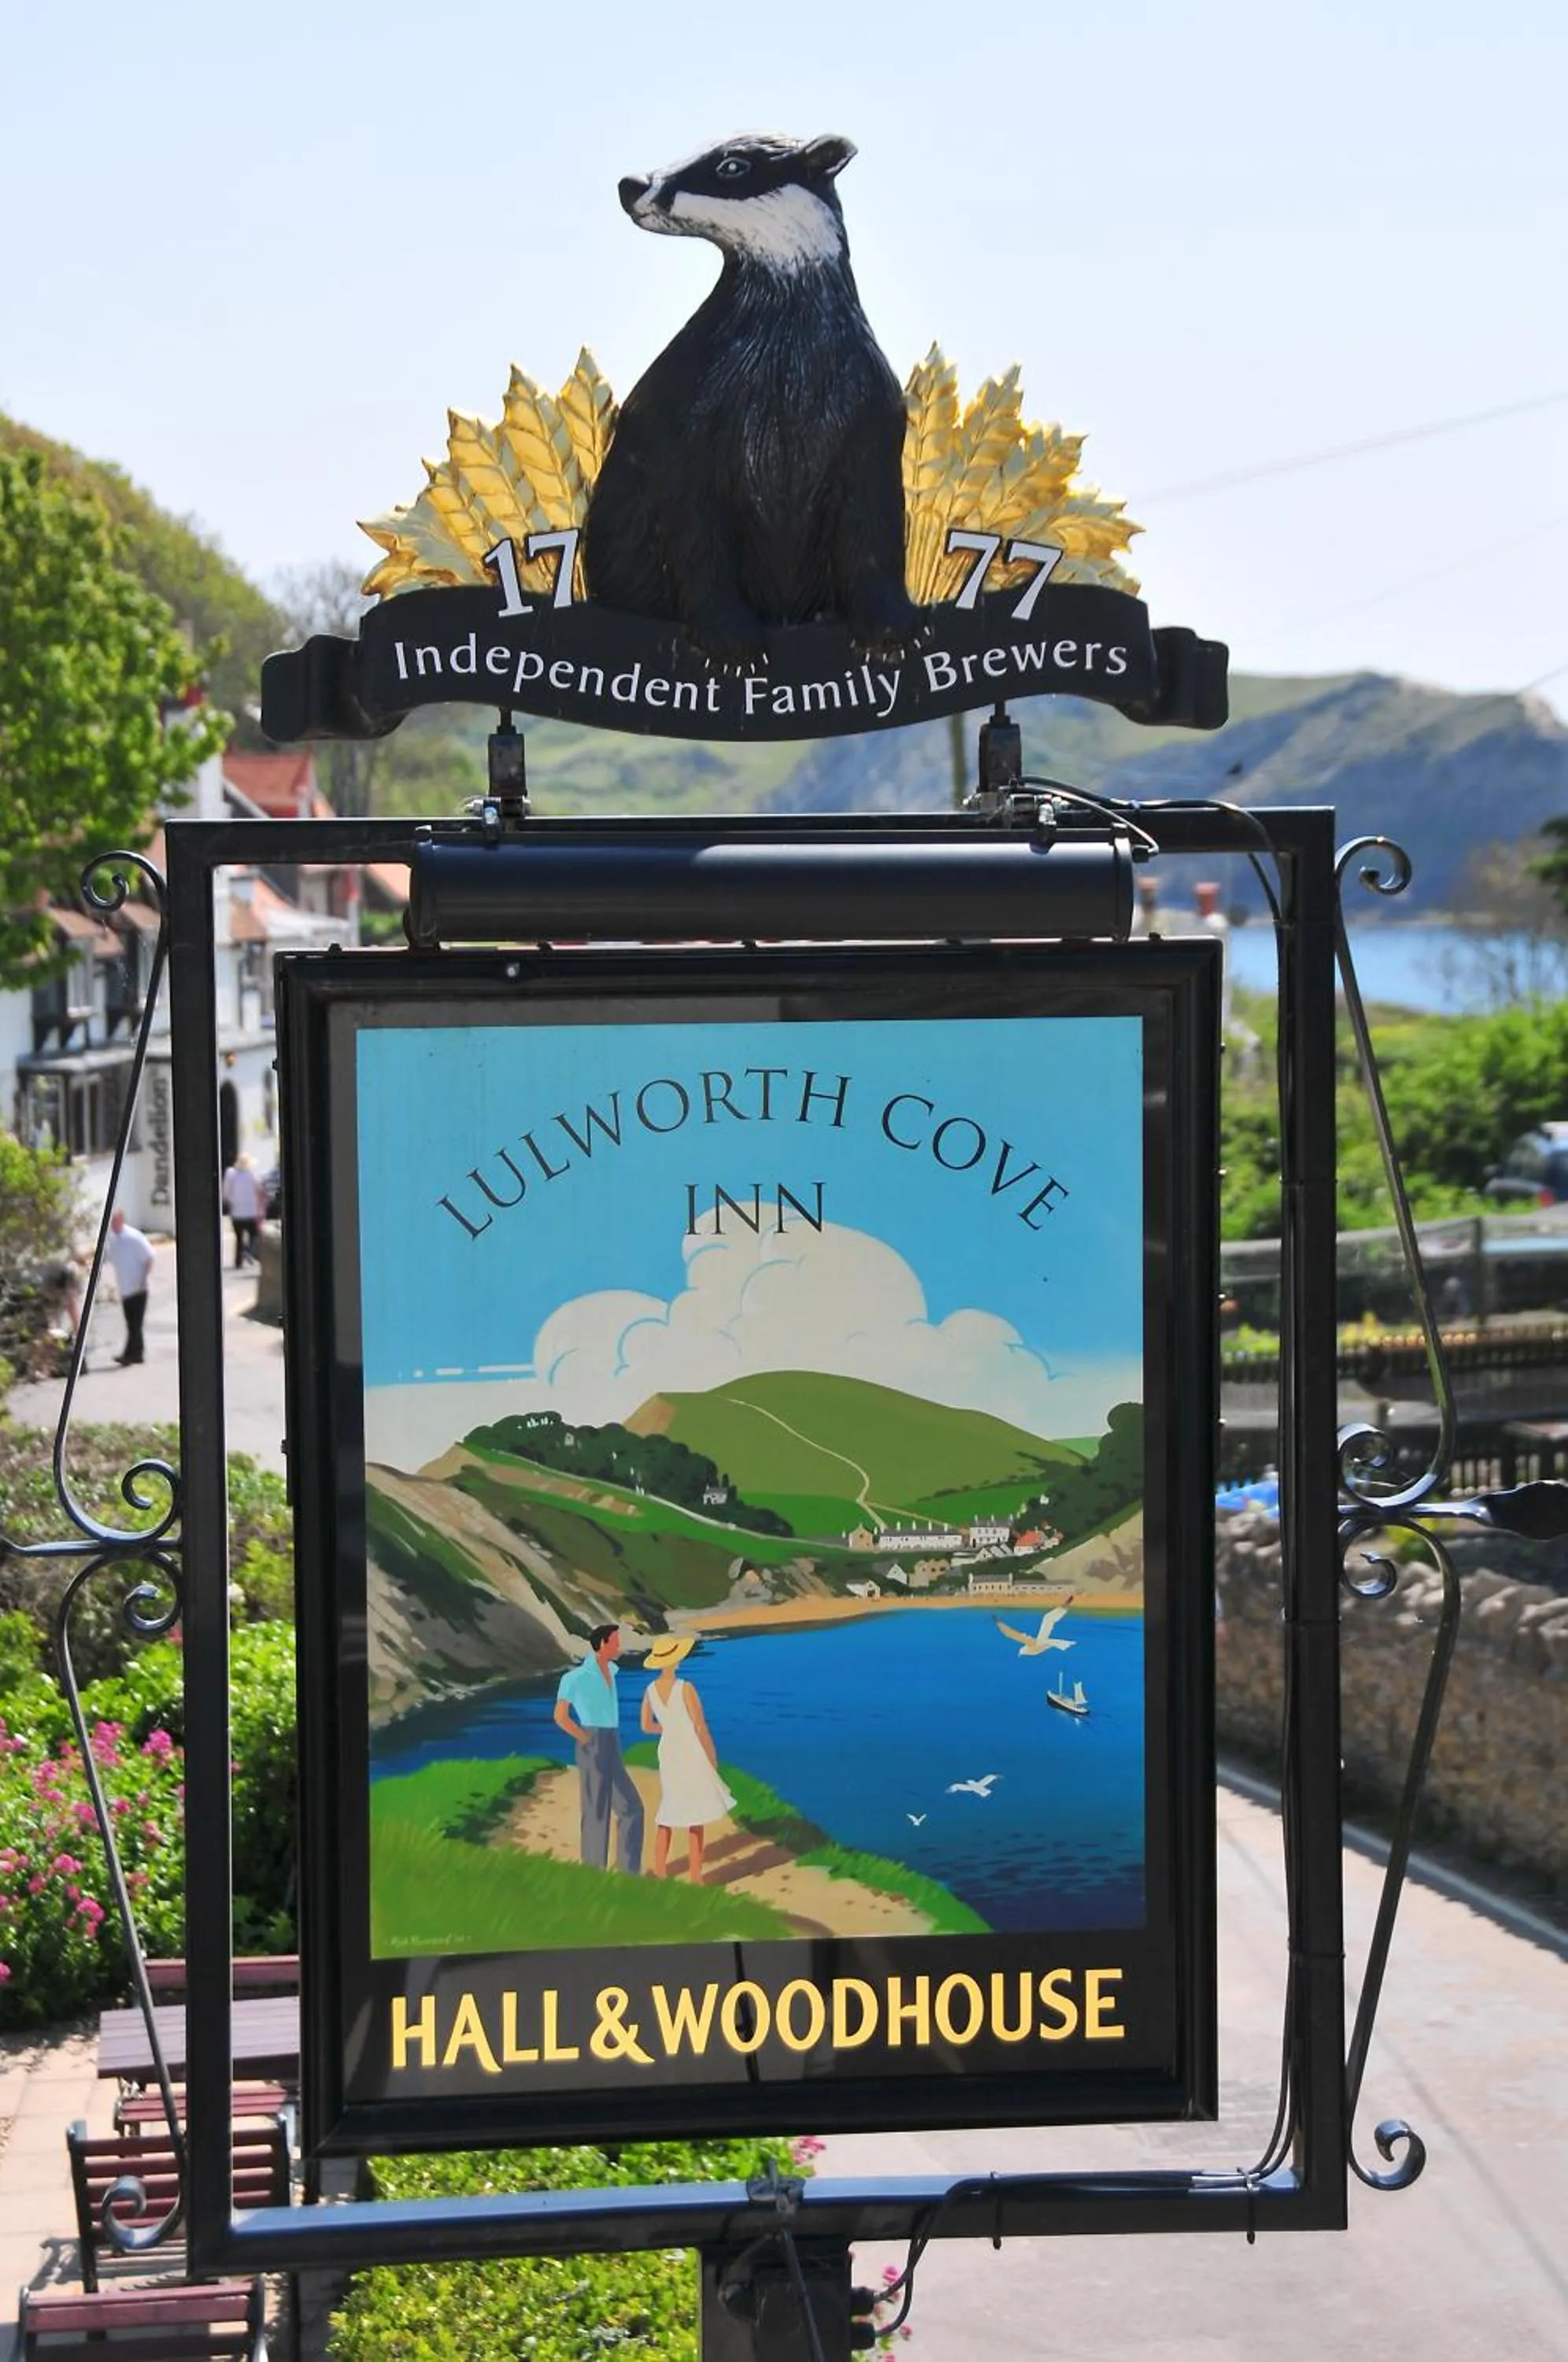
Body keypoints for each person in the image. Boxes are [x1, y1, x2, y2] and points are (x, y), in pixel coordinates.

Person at [639, 1635, 734, 1883]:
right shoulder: (685, 1687)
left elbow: (647, 1726)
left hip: (668, 1750)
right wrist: (711, 1754)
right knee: (696, 1813)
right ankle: (695, 1875)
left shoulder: (650, 1690)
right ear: (675, 1660)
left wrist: (669, 1729)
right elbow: (700, 1725)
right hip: (688, 1750)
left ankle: (660, 1869)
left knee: (670, 1807)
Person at [553, 1623, 644, 1874]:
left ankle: (629, 1873)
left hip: (612, 1741)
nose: (619, 1646)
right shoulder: (574, 1678)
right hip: (592, 1739)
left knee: (631, 1807)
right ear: (602, 1644)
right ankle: (594, 1874)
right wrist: (584, 1738)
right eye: (615, 1642)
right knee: (596, 1811)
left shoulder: (612, 1672)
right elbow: (560, 1716)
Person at [105, 1209, 154, 1366]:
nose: (112, 1225)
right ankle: (137, 1354)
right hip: (125, 1287)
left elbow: (149, 1257)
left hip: (138, 1287)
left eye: (114, 1221)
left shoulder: (133, 1237)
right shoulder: (113, 1241)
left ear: (121, 1220)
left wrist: (144, 1279)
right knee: (132, 1323)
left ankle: (130, 1355)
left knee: (135, 1323)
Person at [221, 1154, 263, 1269]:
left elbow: (226, 1192)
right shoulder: (253, 1175)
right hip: (251, 1212)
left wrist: (230, 1202)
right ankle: (249, 1251)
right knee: (254, 1235)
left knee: (239, 1238)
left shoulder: (231, 1174)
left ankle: (238, 1261)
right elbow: (259, 1189)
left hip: (237, 1212)